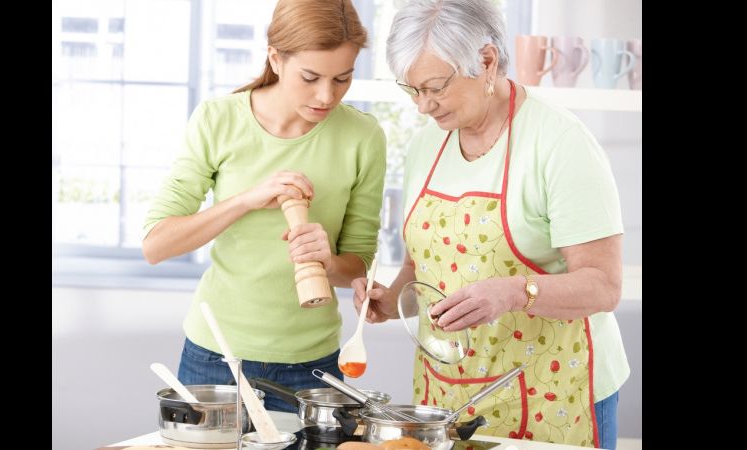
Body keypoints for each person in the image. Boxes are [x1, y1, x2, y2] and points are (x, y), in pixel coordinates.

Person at [351, 0, 628, 447]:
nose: (423, 106)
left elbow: (604, 285)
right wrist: (390, 299)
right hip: (447, 394)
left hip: (554, 388)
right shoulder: (427, 145)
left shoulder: (559, 142)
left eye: (435, 86)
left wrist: (518, 290)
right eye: (412, 89)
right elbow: (421, 268)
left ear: (486, 61)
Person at [142, 0, 386, 413]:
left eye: (343, 79)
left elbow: (358, 263)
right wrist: (247, 199)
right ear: (275, 57)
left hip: (313, 366)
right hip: (215, 356)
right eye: (310, 77)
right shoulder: (218, 120)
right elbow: (156, 245)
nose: (326, 95)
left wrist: (327, 261)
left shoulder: (363, 136)